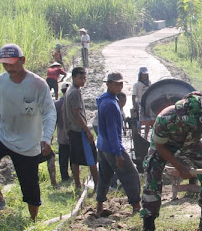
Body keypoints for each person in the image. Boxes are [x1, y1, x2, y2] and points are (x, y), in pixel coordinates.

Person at [0, 43, 56, 221]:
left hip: (28, 142)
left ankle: (33, 221)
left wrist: (46, 138)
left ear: (22, 60)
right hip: (3, 134)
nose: (9, 68)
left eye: (12, 63)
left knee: (30, 186)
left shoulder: (38, 84)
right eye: (5, 64)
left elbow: (49, 112)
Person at [141, 92, 202, 231]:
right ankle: (148, 226)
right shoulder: (165, 118)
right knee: (153, 174)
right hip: (165, 145)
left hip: (192, 142)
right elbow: (160, 147)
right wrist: (180, 167)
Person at [95, 72, 141, 217]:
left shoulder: (104, 100)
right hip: (111, 146)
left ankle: (99, 206)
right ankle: (136, 206)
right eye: (115, 84)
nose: (119, 86)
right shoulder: (110, 105)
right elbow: (112, 131)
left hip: (102, 145)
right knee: (131, 175)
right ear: (108, 84)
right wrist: (118, 153)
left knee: (104, 176)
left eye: (121, 84)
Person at [62, 67, 98, 190]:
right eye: (80, 78)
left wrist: (67, 128)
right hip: (79, 130)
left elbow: (64, 111)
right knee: (91, 157)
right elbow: (77, 113)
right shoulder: (75, 92)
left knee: (75, 158)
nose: (83, 80)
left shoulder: (69, 90)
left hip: (72, 129)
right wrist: (87, 131)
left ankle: (77, 184)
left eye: (84, 78)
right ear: (73, 78)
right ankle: (98, 184)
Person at [54, 82, 71, 182]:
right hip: (71, 133)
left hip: (61, 134)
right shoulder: (71, 102)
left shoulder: (57, 104)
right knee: (72, 155)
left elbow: (54, 120)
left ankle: (64, 176)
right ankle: (71, 174)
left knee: (63, 156)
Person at [132, 67, 152, 138]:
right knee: (139, 121)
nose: (145, 76)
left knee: (148, 121)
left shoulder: (149, 83)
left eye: (146, 74)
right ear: (140, 75)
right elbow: (133, 96)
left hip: (148, 104)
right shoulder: (136, 85)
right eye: (144, 75)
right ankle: (139, 135)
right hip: (140, 104)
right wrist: (134, 106)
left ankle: (146, 135)